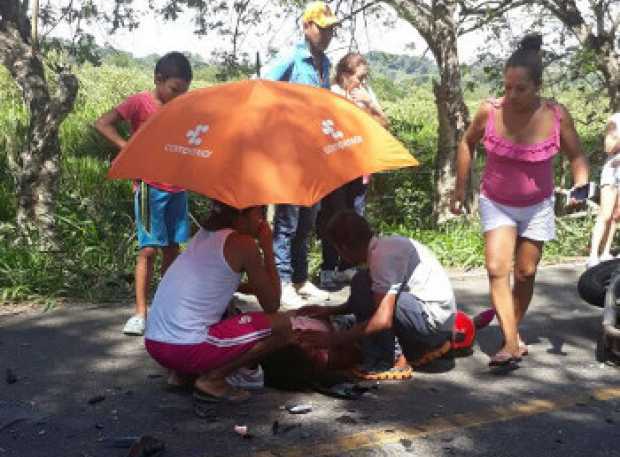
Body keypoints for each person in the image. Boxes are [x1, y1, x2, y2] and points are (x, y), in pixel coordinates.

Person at [451, 34, 589, 366]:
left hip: (538, 205)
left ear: (537, 86)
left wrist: (581, 186)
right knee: (498, 268)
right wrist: (460, 187)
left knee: (525, 272)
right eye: (507, 87)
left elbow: (578, 157)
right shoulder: (490, 110)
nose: (511, 95)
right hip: (496, 201)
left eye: (520, 89)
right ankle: (511, 343)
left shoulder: (556, 115)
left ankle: (512, 332)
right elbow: (466, 143)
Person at [144, 202, 293, 402]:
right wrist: (267, 247)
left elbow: (220, 283)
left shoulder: (203, 235)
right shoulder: (243, 243)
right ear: (241, 214)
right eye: (260, 213)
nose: (262, 221)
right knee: (283, 325)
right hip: (185, 348)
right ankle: (213, 379)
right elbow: (272, 304)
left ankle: (181, 375)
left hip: (156, 344)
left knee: (227, 310)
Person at [94, 52, 193, 335]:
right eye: (174, 90)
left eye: (183, 92)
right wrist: (127, 148)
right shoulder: (141, 102)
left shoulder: (181, 107)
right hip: (150, 187)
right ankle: (140, 313)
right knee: (148, 249)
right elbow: (103, 122)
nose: (178, 96)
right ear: (158, 79)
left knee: (173, 249)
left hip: (178, 187)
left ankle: (166, 307)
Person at [298, 210, 457, 381]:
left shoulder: (382, 258)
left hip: (431, 327)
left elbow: (383, 319)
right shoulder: (383, 247)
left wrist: (333, 339)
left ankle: (390, 359)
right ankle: (390, 348)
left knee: (363, 285)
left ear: (343, 248)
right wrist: (330, 311)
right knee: (362, 281)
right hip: (432, 320)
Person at [262, 0, 339, 307]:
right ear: (307, 27)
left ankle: (300, 279)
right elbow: (262, 89)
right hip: (290, 154)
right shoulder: (291, 59)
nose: (328, 33)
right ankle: (282, 282)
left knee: (308, 220)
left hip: (315, 154)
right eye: (323, 28)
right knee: (287, 220)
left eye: (332, 28)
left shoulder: (325, 64)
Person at [318, 53, 388, 290]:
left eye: (366, 77)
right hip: (336, 167)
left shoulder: (366, 95)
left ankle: (347, 267)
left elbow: (384, 123)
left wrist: (369, 104)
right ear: (345, 75)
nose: (362, 82)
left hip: (360, 166)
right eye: (360, 77)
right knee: (334, 216)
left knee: (355, 217)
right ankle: (328, 267)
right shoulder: (331, 93)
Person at [587, 114, 620, 267]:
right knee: (605, 214)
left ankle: (606, 252)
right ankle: (593, 255)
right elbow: (608, 148)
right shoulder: (615, 119)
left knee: (615, 216)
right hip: (612, 170)